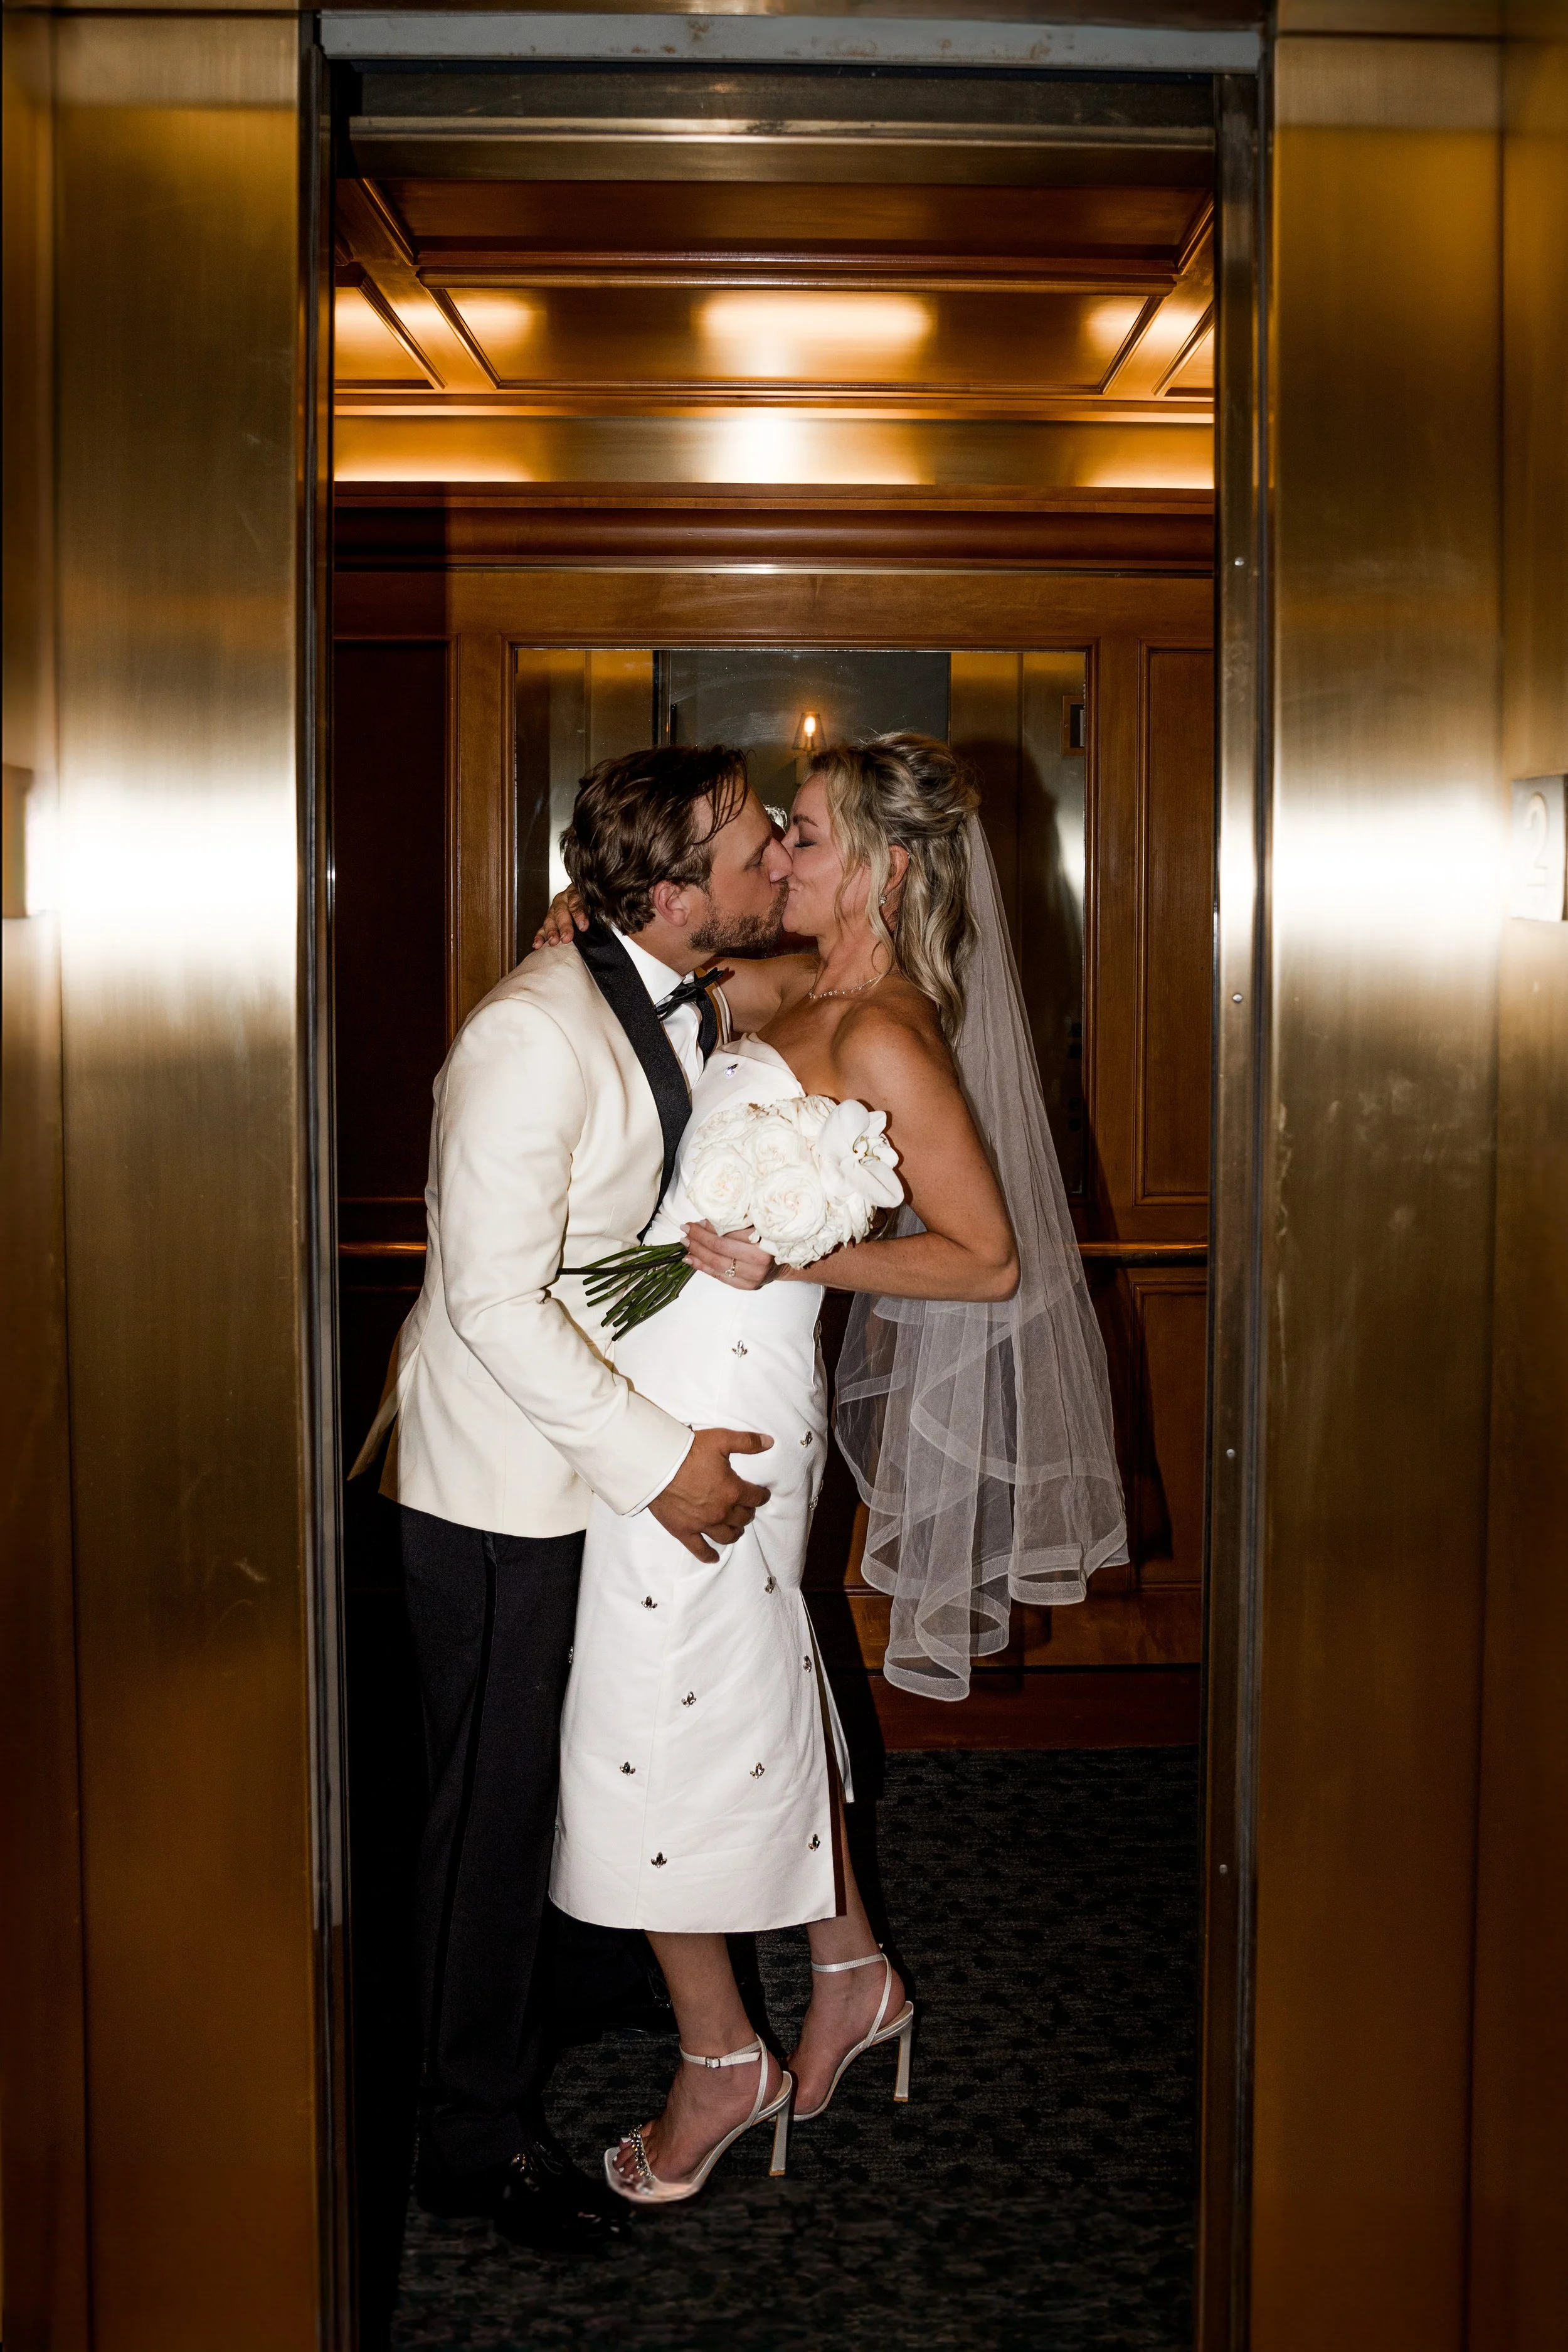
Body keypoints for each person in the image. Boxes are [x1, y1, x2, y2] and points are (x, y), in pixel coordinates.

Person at [538, 733, 1128, 2205]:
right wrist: (581, 926)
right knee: (742, 1682)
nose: (779, 858)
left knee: (652, 1705)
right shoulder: (797, 990)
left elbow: (986, 1258)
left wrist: (804, 1247)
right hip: (671, 1371)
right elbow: (651, 974)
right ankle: (851, 1970)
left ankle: (718, 2056)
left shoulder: (883, 1034)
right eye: (781, 836)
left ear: (885, 864)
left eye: (801, 835)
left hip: (730, 1407)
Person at [351, 743, 794, 2254]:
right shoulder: (529, 1034)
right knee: (480, 1818)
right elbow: (487, 1298)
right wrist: (658, 1457)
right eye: (750, 846)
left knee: (562, 1762)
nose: (774, 861)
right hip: (492, 1484)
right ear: (670, 892)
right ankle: (464, 2139)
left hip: (575, 1466)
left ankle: (573, 1983)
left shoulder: (664, 978)